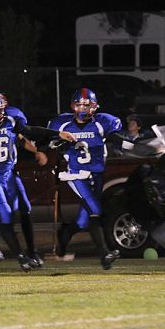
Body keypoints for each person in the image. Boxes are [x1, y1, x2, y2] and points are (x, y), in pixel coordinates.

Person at [0, 90, 74, 271]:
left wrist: (55, 134)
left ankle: (31, 251)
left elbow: (27, 133)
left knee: (25, 209)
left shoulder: (11, 120)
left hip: (10, 174)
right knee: (5, 215)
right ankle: (19, 256)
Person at [48, 88, 123, 269]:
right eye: (79, 104)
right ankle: (105, 254)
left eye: (87, 105)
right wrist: (54, 143)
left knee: (83, 222)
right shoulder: (63, 124)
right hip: (76, 175)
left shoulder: (102, 123)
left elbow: (120, 140)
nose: (83, 108)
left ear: (94, 107)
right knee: (95, 211)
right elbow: (48, 142)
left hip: (96, 175)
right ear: (73, 106)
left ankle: (65, 233)